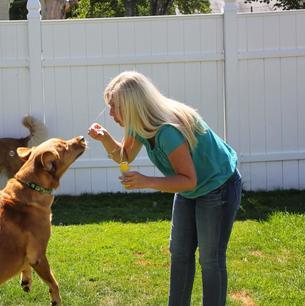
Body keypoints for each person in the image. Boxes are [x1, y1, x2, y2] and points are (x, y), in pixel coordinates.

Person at [87, 71, 242, 306]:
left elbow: (188, 180)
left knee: (210, 259)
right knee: (179, 253)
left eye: (114, 107)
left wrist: (146, 181)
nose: (110, 113)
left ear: (133, 106)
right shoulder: (139, 124)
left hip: (217, 185)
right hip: (190, 187)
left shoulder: (168, 131)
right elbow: (125, 156)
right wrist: (106, 138)